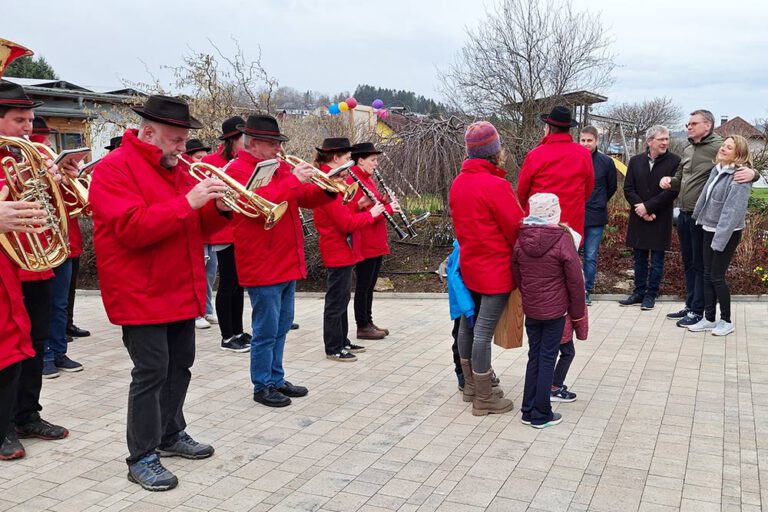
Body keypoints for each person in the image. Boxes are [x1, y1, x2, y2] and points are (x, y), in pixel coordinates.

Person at [90, 95, 227, 490]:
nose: (183, 149)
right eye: (175, 140)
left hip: (180, 287)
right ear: (148, 133)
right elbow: (132, 228)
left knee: (179, 366)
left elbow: (199, 227)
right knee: (150, 373)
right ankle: (142, 456)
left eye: (184, 140)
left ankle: (170, 433)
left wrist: (222, 208)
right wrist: (189, 202)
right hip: (140, 291)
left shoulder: (178, 169)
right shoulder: (113, 169)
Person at [226, 114, 333, 408]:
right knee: (265, 329)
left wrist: (328, 187)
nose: (279, 148)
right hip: (262, 263)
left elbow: (304, 198)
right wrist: (294, 180)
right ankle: (262, 385)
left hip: (286, 259)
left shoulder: (279, 166)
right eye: (273, 143)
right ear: (254, 143)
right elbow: (257, 203)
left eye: (278, 143)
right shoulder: (236, 170)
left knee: (282, 325)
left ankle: (276, 377)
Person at [0, 80, 70, 460]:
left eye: (30, 119)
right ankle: (4, 426)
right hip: (6, 269)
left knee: (34, 343)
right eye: (19, 120)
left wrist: (52, 182)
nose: (29, 127)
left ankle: (27, 414)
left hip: (35, 264)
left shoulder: (31, 156)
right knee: (7, 351)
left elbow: (52, 209)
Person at [449, 121, 523, 416]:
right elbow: (515, 228)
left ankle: (470, 387)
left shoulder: (459, 182)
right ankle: (484, 397)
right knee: (482, 331)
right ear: (495, 151)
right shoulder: (496, 186)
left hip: (469, 266)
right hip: (495, 270)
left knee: (468, 324)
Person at [660, 110, 757, 327]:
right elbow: (682, 177)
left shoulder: (719, 146)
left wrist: (754, 174)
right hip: (688, 214)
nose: (689, 127)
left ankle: (699, 311)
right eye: (688, 124)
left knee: (703, 267)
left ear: (708, 125)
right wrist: (670, 181)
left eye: (694, 123)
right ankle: (691, 305)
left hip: (708, 221)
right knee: (690, 263)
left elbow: (742, 163)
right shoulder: (688, 148)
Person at [513, 193, 586, 428]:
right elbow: (575, 281)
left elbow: (517, 273)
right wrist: (577, 312)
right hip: (555, 311)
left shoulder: (521, 238)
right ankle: (541, 414)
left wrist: (528, 295)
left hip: (532, 309)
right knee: (547, 358)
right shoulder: (563, 239)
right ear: (555, 213)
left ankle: (527, 410)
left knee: (534, 356)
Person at [314, 138, 385, 361]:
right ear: (336, 158)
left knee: (343, 297)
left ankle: (342, 340)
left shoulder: (335, 180)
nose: (349, 164)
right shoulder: (327, 183)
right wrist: (370, 214)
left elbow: (345, 212)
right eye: (347, 158)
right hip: (336, 247)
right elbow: (344, 223)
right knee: (336, 300)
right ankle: (333, 346)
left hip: (343, 247)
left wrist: (360, 205)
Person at [32, 119, 85, 379]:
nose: (47, 143)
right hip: (38, 244)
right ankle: (45, 356)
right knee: (43, 304)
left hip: (63, 241)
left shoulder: (51, 160)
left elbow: (71, 204)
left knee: (59, 303)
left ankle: (59, 351)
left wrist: (68, 179)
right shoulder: (30, 159)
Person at [687, 136, 753, 336]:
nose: (723, 148)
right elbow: (706, 197)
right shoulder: (717, 170)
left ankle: (726, 321)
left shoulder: (739, 177)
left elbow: (732, 213)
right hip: (709, 228)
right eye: (723, 145)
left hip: (726, 233)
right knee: (707, 275)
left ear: (739, 153)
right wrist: (698, 218)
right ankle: (709, 318)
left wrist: (720, 239)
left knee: (717, 277)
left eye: (729, 147)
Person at [201, 116, 251, 351]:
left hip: (242, 227)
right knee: (229, 282)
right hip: (223, 229)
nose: (248, 144)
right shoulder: (211, 162)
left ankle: (238, 330)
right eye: (244, 139)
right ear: (232, 140)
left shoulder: (245, 161)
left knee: (239, 283)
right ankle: (227, 335)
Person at [619, 126, 680, 310]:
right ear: (649, 141)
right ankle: (638, 292)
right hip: (639, 217)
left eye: (667, 139)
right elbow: (628, 188)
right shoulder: (636, 161)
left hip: (660, 217)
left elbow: (672, 191)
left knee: (657, 260)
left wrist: (648, 207)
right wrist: (642, 209)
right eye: (661, 139)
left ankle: (651, 294)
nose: (665, 142)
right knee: (639, 258)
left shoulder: (675, 161)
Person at [517, 106, 594, 242]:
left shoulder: (535, 155)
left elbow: (522, 192)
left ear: (548, 128)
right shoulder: (584, 155)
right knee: (569, 255)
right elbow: (588, 188)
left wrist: (533, 209)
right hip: (571, 226)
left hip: (539, 225)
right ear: (568, 129)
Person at [347, 142, 399, 340]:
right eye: (373, 160)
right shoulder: (353, 180)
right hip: (366, 240)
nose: (376, 164)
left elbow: (373, 206)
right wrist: (388, 208)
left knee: (370, 285)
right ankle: (362, 325)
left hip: (376, 239)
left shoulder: (367, 179)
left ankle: (368, 322)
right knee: (364, 285)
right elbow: (364, 213)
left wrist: (385, 201)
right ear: (360, 161)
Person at [182, 138, 219, 331]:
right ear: (188, 158)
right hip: (194, 232)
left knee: (210, 273)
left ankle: (207, 309)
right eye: (199, 157)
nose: (204, 161)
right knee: (197, 274)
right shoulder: (185, 175)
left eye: (205, 157)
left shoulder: (206, 175)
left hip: (208, 233)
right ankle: (195, 313)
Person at [579, 126, 617, 305]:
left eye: (589, 140)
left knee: (590, 256)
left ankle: (587, 290)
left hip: (595, 216)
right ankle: (573, 290)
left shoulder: (606, 162)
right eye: (583, 140)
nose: (586, 144)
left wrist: (600, 200)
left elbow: (612, 187)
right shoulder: (574, 159)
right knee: (571, 255)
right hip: (575, 215)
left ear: (596, 141)